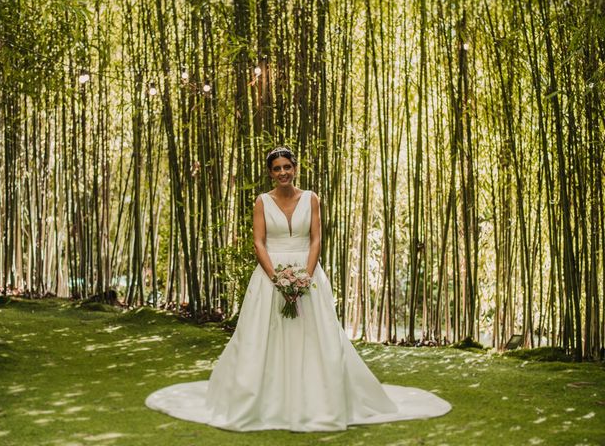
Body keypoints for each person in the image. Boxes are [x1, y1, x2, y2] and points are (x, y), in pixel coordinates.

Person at [146, 146, 451, 431]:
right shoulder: (262, 201)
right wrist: (277, 278)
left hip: (308, 271)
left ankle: (318, 400)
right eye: (277, 168)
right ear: (270, 173)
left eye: (287, 167)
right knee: (262, 337)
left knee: (316, 337)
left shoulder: (311, 198)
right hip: (270, 274)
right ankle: (264, 401)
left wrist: (306, 275)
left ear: (295, 168)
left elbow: (316, 238)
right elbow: (258, 242)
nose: (282, 172)